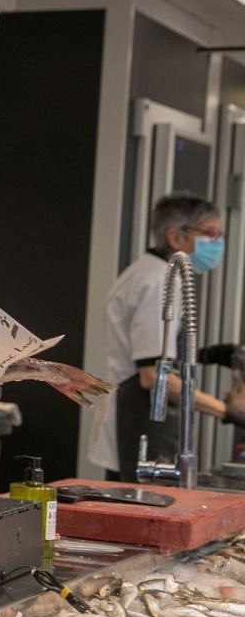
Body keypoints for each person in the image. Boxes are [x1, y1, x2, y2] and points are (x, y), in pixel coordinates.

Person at [90, 192, 243, 481]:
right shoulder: (159, 280)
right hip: (142, 418)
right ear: (175, 237)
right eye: (210, 233)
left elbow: (153, 351)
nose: (217, 242)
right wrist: (228, 412)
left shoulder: (146, 271)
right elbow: (152, 376)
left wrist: (209, 355)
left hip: (139, 413)